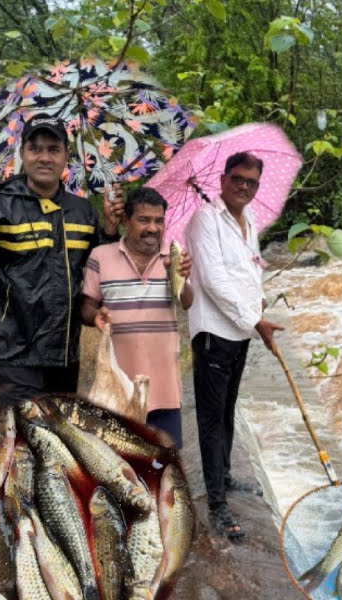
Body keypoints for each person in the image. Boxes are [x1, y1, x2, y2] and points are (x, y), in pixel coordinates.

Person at [0, 115, 124, 409]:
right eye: (36, 149)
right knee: (24, 446)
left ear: (66, 157)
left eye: (54, 149)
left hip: (65, 356)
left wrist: (108, 229)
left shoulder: (83, 212)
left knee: (61, 443)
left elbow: (101, 277)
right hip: (15, 357)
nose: (45, 157)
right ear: (23, 154)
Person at [186, 150, 285, 541]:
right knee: (211, 419)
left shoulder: (250, 220)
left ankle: (225, 476)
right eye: (238, 179)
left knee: (227, 409)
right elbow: (212, 281)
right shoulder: (205, 219)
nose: (244, 186)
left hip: (240, 332)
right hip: (213, 333)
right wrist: (256, 321)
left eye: (252, 182)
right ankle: (217, 505)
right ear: (223, 179)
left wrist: (258, 303)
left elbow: (251, 267)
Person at [80, 186, 194, 447]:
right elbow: (86, 305)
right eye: (144, 220)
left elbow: (187, 302)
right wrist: (96, 315)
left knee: (165, 467)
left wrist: (180, 277)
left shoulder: (174, 256)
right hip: (117, 387)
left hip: (165, 388)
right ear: (125, 222)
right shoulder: (101, 256)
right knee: (121, 467)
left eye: (159, 221)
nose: (153, 228)